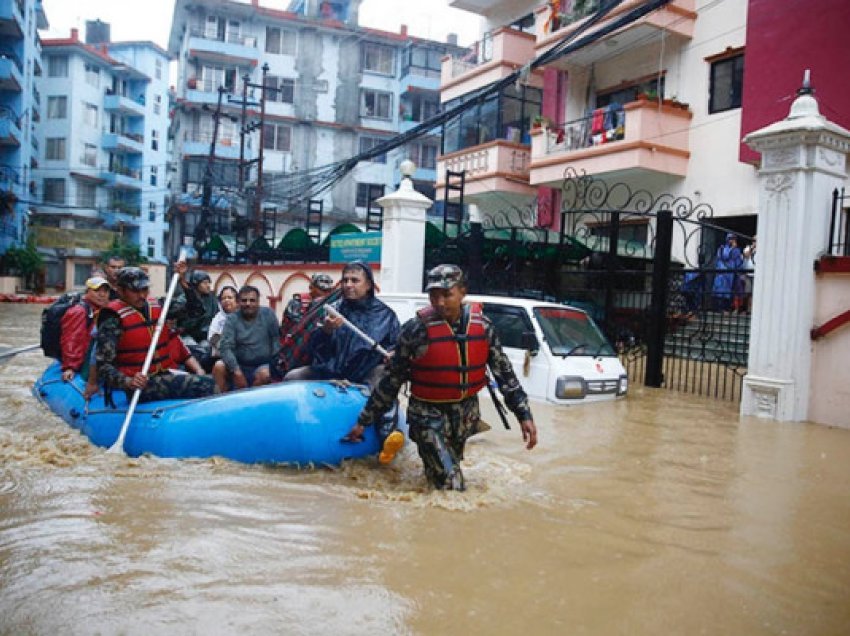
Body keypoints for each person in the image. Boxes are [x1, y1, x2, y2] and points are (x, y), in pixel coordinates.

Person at [343, 264, 538, 490]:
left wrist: (524, 414)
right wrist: (363, 421)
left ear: (463, 292)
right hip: (427, 415)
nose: (440, 302)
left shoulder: (483, 328)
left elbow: (505, 375)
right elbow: (391, 382)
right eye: (434, 296)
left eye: (447, 294)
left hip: (464, 416)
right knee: (452, 485)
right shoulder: (415, 331)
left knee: (440, 476)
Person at [285, 261, 401, 462]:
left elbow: (397, 347)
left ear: (368, 285)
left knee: (383, 377)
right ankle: (292, 430)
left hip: (365, 371)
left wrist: (393, 353)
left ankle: (387, 437)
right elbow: (313, 349)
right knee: (293, 377)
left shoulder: (386, 315)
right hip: (330, 371)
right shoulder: (332, 309)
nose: (348, 285)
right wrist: (326, 331)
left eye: (355, 280)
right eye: (345, 280)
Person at [95, 264, 215, 402]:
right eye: (135, 290)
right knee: (206, 385)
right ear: (120, 290)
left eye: (144, 289)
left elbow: (196, 310)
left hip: (163, 373)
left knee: (212, 381)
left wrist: (182, 281)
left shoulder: (157, 306)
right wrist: (127, 381)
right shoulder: (112, 318)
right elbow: (103, 366)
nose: (142, 295)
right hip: (139, 383)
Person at [213, 285, 280, 392]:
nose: (248, 304)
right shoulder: (232, 319)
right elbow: (225, 347)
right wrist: (236, 370)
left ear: (258, 302)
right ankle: (223, 402)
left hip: (263, 365)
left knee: (265, 374)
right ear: (239, 302)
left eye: (252, 300)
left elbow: (276, 342)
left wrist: (273, 364)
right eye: (244, 300)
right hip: (238, 365)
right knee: (219, 366)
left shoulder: (268, 314)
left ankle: (250, 401)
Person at [275, 273, 336, 379]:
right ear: (311, 288)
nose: (324, 294)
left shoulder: (332, 305)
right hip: (293, 351)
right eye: (320, 289)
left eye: (327, 291)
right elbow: (299, 327)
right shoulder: (298, 302)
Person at [60, 276, 111, 388]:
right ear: (88, 292)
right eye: (97, 290)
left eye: (105, 291)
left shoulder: (101, 310)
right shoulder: (79, 311)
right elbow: (71, 339)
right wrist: (70, 367)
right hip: (84, 361)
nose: (102, 295)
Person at [712, 233, 743, 312]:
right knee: (719, 290)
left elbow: (738, 262)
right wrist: (732, 249)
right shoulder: (722, 248)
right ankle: (720, 308)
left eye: (733, 239)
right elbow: (724, 257)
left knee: (729, 292)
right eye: (730, 239)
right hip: (721, 272)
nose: (732, 240)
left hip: (731, 273)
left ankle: (726, 308)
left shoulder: (736, 250)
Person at [207, 285, 238, 359]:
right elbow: (212, 339)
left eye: (230, 297)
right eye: (223, 298)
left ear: (237, 301)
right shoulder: (218, 318)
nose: (226, 300)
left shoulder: (243, 316)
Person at [742, 237, 756, 313]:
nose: (755, 242)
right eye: (754, 241)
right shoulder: (748, 248)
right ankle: (747, 309)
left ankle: (752, 310)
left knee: (754, 292)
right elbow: (746, 255)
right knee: (748, 292)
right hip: (748, 274)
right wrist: (752, 248)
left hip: (756, 275)